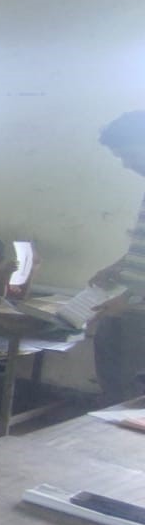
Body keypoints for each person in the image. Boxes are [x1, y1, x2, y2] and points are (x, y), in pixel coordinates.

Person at [89, 111, 145, 405]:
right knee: (112, 376)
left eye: (130, 155)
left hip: (137, 308)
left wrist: (133, 302)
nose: (127, 165)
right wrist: (119, 266)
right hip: (130, 303)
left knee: (133, 393)